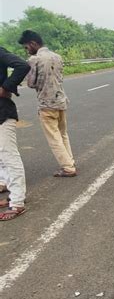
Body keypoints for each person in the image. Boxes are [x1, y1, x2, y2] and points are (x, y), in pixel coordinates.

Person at [19, 30, 77, 177]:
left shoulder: (34, 60)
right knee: (63, 134)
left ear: (33, 43)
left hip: (46, 104)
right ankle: (69, 160)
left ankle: (68, 168)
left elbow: (31, 83)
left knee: (54, 137)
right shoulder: (57, 56)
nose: (27, 51)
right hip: (61, 100)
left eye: (26, 47)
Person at [0, 46, 30, 220]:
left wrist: (6, 88)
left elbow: (22, 65)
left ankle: (17, 203)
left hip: (3, 113)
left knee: (9, 156)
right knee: (1, 157)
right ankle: (12, 195)